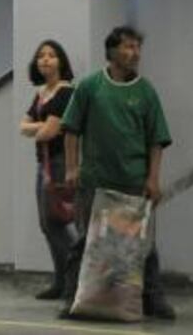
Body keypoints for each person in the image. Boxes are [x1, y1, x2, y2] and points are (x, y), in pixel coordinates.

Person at [59, 25, 176, 320]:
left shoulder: (146, 92)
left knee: (143, 244)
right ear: (112, 51)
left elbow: (157, 140)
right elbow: (71, 130)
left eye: (137, 47)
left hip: (133, 182)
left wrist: (153, 179)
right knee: (85, 242)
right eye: (128, 47)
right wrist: (72, 168)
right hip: (95, 181)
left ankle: (153, 298)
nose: (135, 53)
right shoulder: (90, 87)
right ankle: (73, 298)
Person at [20, 40, 77, 300]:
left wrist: (39, 127)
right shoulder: (41, 94)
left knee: (57, 223)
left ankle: (74, 281)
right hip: (42, 164)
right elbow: (24, 127)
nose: (45, 59)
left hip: (60, 163)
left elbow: (48, 133)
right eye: (41, 55)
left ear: (61, 62)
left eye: (51, 55)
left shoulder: (66, 92)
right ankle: (61, 281)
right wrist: (40, 127)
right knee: (47, 224)